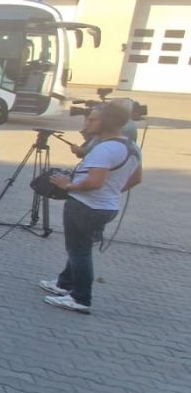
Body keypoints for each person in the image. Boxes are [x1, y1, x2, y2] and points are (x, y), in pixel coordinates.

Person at [39, 101, 141, 314]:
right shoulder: (132, 146)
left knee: (79, 251)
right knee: (80, 247)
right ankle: (63, 283)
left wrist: (68, 185)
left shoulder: (104, 149)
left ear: (107, 122)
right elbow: (136, 178)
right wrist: (112, 193)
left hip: (85, 207)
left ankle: (80, 298)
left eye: (93, 119)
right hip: (106, 207)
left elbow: (94, 182)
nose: (88, 122)